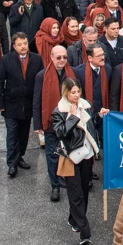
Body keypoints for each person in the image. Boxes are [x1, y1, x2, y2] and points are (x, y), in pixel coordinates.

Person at [51, 79, 101, 245]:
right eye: (73, 92)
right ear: (66, 93)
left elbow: (93, 125)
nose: (76, 95)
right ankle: (84, 233)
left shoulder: (86, 106)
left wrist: (100, 116)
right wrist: (72, 118)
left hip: (86, 154)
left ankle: (74, 219)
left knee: (84, 189)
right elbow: (60, 133)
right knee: (75, 193)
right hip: (70, 157)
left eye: (78, 91)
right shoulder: (59, 111)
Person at [33, 45, 75, 201]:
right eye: (58, 57)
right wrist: (38, 124)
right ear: (51, 57)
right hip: (51, 122)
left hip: (69, 121)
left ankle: (64, 177)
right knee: (52, 155)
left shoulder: (72, 74)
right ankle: (55, 186)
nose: (62, 60)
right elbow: (37, 101)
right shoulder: (41, 76)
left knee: (68, 152)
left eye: (65, 57)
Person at [0, 33, 40, 177]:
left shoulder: (37, 59)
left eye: (25, 43)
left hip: (27, 103)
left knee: (23, 133)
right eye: (20, 44)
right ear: (14, 46)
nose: (23, 47)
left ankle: (19, 156)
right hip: (11, 103)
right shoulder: (6, 59)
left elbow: (40, 80)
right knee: (12, 134)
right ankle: (12, 163)